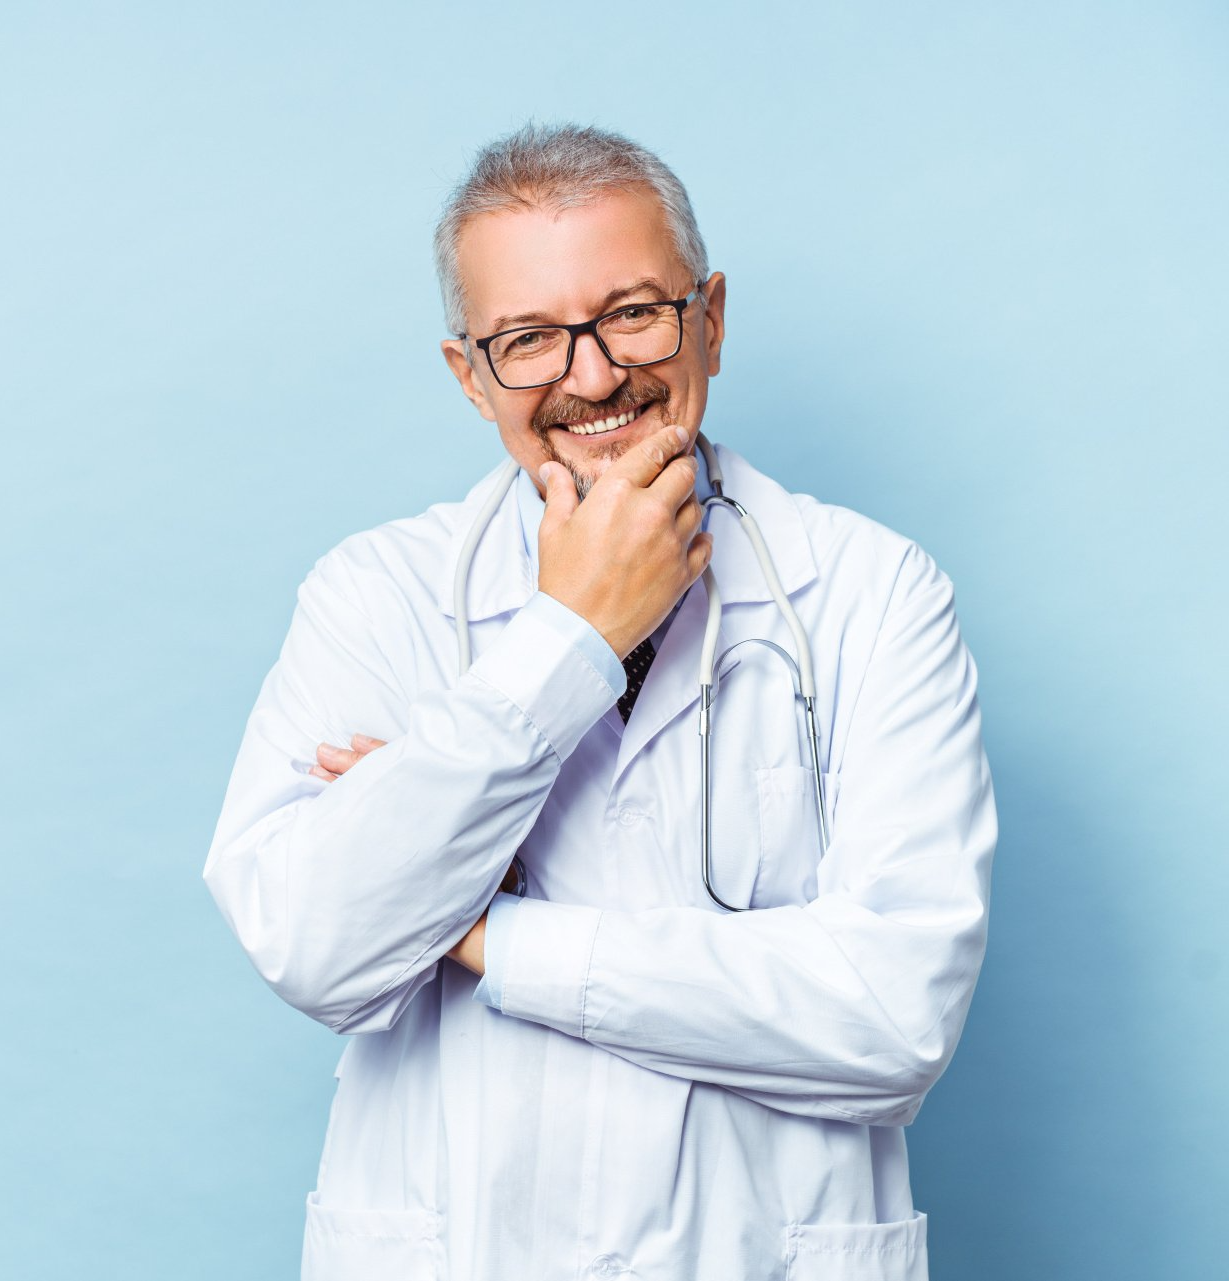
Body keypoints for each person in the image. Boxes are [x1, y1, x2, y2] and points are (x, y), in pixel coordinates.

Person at [204, 122, 996, 1281]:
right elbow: (320, 948)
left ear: (709, 319)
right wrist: (572, 637)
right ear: (469, 376)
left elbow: (892, 1022)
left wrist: (482, 932)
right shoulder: (373, 596)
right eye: (526, 338)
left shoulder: (874, 592)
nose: (589, 375)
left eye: (632, 313)